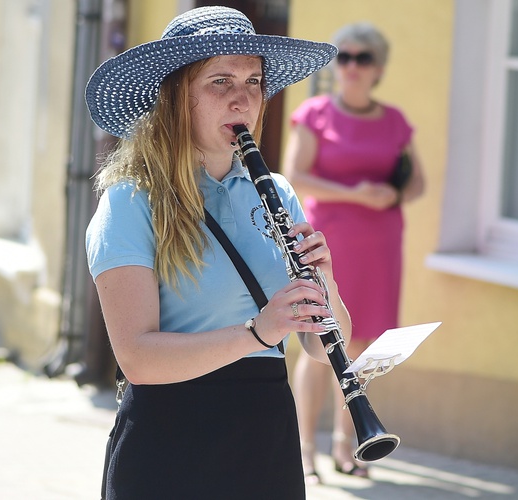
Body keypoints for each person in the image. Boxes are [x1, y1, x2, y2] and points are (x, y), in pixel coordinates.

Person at [84, 6, 349, 499]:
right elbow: (138, 358)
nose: (241, 99)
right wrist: (257, 331)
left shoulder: (278, 193)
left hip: (265, 440)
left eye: (253, 82)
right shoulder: (130, 201)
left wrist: (326, 285)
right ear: (177, 96)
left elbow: (323, 348)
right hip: (169, 443)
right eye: (220, 81)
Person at [283, 22, 425, 483]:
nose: (351, 66)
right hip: (329, 243)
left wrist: (392, 195)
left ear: (378, 68)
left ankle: (350, 443)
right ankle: (304, 448)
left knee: (364, 344)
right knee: (320, 342)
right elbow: (294, 175)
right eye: (343, 56)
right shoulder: (315, 114)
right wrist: (356, 194)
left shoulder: (395, 121)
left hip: (381, 243)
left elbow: (417, 181)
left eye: (362, 58)